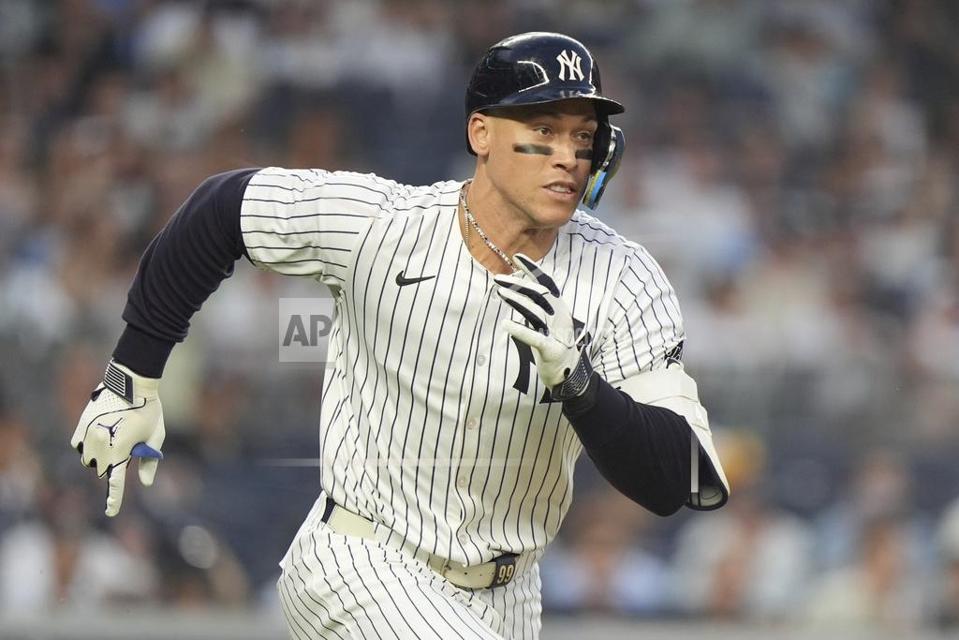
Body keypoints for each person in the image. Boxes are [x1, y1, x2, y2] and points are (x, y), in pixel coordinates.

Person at [71, 32, 729, 639]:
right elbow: (220, 211)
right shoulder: (382, 226)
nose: (565, 156)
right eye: (541, 129)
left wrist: (582, 387)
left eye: (581, 136)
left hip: (509, 591)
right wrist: (131, 375)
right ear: (481, 132)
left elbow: (673, 477)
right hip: (363, 559)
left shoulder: (623, 276)